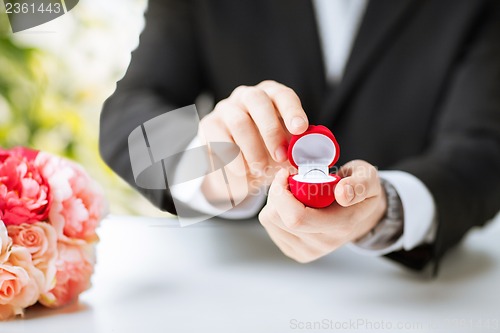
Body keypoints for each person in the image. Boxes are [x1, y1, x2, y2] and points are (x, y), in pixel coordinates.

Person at [99, 0, 500, 274]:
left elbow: (483, 148)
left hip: (407, 292)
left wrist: (388, 208)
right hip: (233, 281)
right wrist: (203, 164)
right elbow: (132, 106)